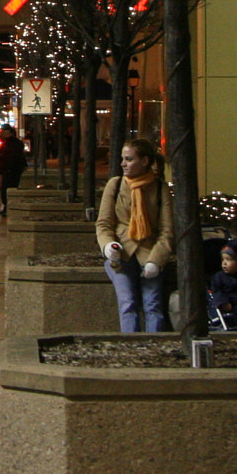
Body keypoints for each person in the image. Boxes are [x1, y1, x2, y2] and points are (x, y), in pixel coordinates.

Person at [93, 137, 174, 332]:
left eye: (129, 159)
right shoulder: (116, 184)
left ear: (145, 161)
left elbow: (167, 230)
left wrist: (156, 260)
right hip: (121, 253)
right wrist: (108, 245)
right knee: (127, 303)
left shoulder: (159, 187)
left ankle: (153, 347)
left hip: (149, 253)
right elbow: (103, 223)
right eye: (122, 158)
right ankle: (130, 344)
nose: (123, 164)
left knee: (153, 305)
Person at [0, 129, 27, 215]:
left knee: (8, 189)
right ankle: (8, 207)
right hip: (11, 169)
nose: (3, 134)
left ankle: (9, 208)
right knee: (9, 188)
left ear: (11, 134)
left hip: (11, 170)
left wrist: (8, 168)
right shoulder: (9, 143)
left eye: (6, 132)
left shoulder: (12, 143)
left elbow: (12, 157)